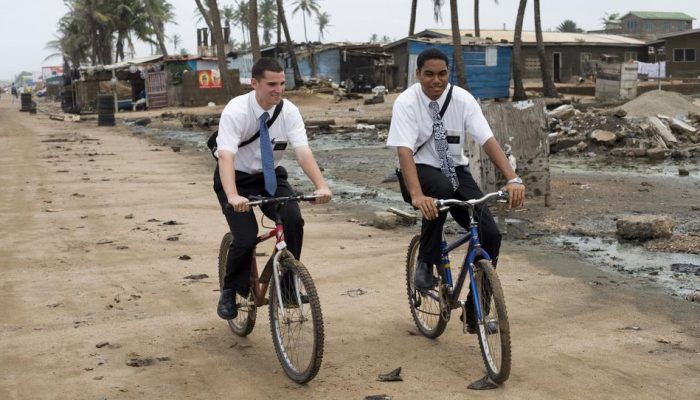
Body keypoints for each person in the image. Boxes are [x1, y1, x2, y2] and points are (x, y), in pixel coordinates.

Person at [387, 47, 525, 329]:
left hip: (456, 172)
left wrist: (512, 178)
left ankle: (476, 310)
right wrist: (416, 195)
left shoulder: (462, 100)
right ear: (418, 74)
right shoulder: (406, 102)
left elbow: (487, 141)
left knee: (491, 235)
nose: (436, 80)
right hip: (418, 170)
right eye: (429, 74)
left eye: (442, 74)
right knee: (438, 191)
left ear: (448, 73)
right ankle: (425, 263)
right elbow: (404, 151)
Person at [213, 57, 332, 320]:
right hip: (235, 178)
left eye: (281, 83)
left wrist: (321, 185)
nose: (278, 90)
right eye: (271, 84)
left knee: (293, 219)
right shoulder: (236, 111)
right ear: (254, 83)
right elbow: (226, 157)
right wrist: (232, 195)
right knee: (245, 237)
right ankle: (230, 290)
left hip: (270, 178)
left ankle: (288, 285)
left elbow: (302, 152)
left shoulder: (288, 111)